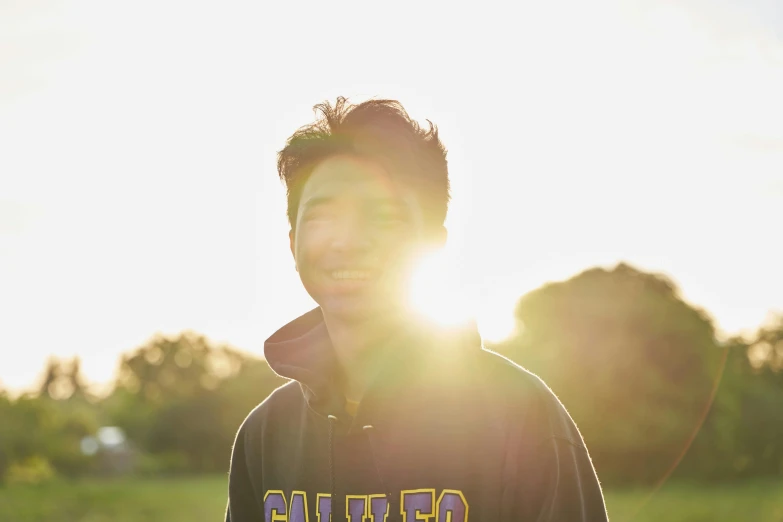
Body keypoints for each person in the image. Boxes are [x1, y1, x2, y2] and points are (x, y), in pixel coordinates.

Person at [226, 97, 608, 522]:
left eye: (383, 216)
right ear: (293, 243)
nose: (347, 240)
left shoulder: (523, 419)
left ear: (433, 243)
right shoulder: (265, 436)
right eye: (322, 217)